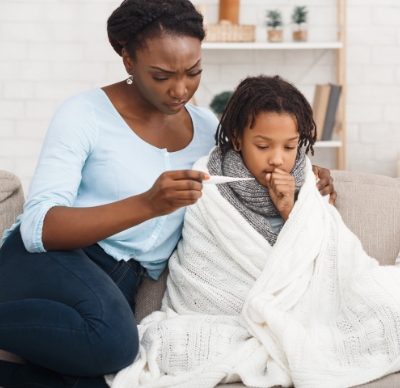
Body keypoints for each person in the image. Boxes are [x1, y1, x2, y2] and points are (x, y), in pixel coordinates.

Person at [0, 1, 335, 387]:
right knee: (114, 345)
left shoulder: (210, 128)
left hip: (121, 281)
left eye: (193, 72)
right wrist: (147, 204)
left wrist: (310, 175)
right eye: (161, 76)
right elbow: (39, 228)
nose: (180, 89)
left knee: (113, 378)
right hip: (51, 261)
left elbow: (258, 162)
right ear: (128, 60)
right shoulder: (84, 114)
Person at [108, 76, 400, 388]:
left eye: (290, 146)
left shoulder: (310, 183)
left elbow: (329, 255)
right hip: (226, 315)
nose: (278, 158)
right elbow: (204, 266)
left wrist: (291, 209)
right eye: (263, 146)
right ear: (237, 139)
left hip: (304, 308)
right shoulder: (209, 189)